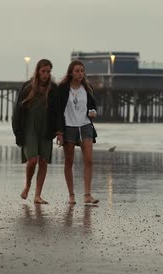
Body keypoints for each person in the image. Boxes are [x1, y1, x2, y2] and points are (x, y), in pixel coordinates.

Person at [12, 59, 57, 204]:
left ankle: (37, 195)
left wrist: (59, 131)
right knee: (32, 160)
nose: (46, 74)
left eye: (48, 71)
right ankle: (27, 186)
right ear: (38, 71)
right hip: (29, 128)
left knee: (43, 162)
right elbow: (17, 112)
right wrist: (17, 132)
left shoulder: (53, 89)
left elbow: (59, 112)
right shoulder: (28, 87)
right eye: (43, 71)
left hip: (46, 128)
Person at [55, 60, 100, 205]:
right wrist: (59, 132)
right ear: (71, 73)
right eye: (77, 71)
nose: (80, 74)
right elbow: (57, 111)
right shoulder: (62, 89)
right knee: (69, 162)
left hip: (85, 126)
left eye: (82, 71)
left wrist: (93, 112)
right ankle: (71, 195)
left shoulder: (87, 88)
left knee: (89, 160)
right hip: (69, 127)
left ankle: (87, 195)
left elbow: (92, 107)